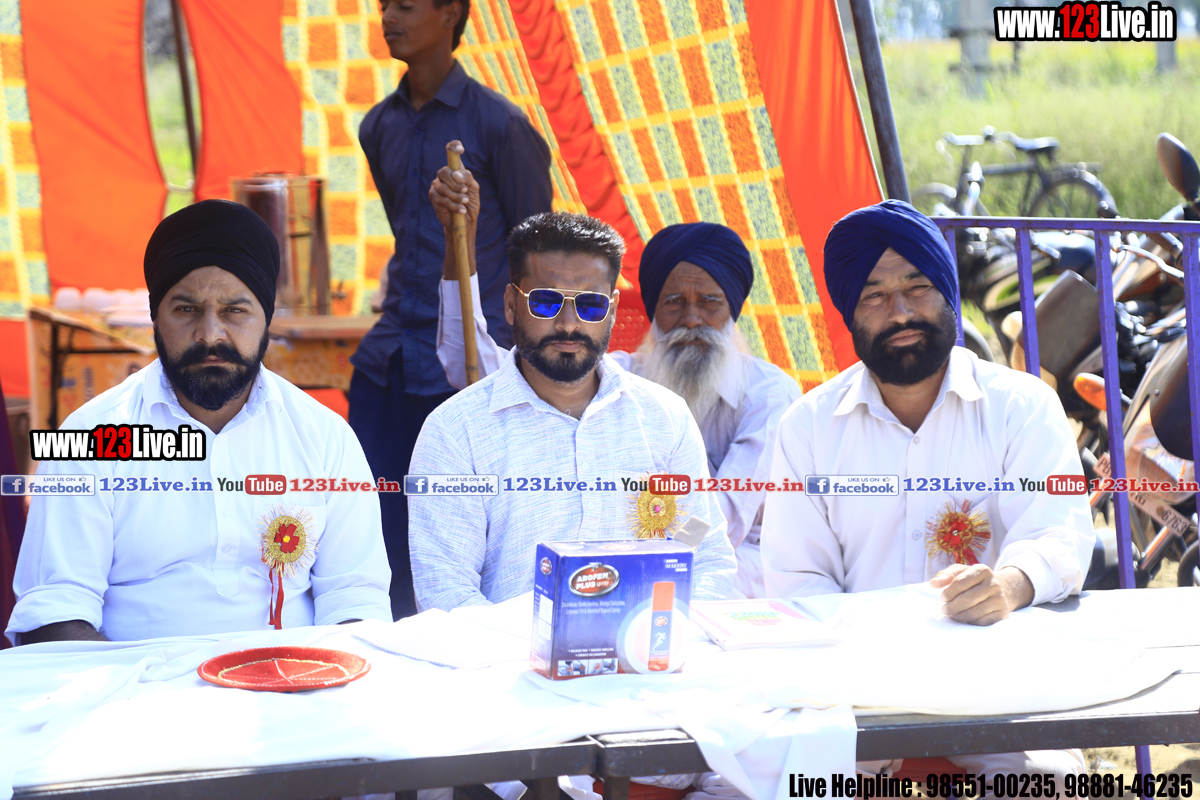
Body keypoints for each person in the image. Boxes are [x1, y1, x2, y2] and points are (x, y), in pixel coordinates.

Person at [761, 200, 1093, 777]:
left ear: (948, 295)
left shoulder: (1021, 406)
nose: (900, 312)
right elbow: (798, 580)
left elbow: (1057, 534)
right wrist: (868, 651)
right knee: (800, 783)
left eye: (917, 287)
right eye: (874, 296)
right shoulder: (808, 428)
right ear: (850, 314)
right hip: (854, 693)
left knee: (1053, 784)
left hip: (994, 682)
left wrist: (1008, 586)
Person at [5, 200, 392, 644]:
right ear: (155, 318)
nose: (210, 334)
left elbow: (355, 599)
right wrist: (143, 684)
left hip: (291, 678)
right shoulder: (90, 435)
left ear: (267, 320)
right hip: (134, 678)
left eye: (235, 311)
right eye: (186, 310)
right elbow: (55, 610)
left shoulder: (324, 436)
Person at [433, 160, 797, 596]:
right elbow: (472, 364)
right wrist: (459, 250)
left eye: (709, 302)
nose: (691, 318)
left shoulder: (768, 394)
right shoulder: (614, 374)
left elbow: (722, 520)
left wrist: (644, 577)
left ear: (732, 311)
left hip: (722, 568)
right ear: (653, 312)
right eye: (674, 301)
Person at [350, 0, 554, 620]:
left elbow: (538, 252)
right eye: (384, 6)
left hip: (471, 360)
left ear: (450, 14)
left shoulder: (501, 126)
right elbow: (402, 227)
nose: (388, 16)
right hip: (391, 354)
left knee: (458, 532)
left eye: (406, 5)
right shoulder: (377, 126)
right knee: (374, 525)